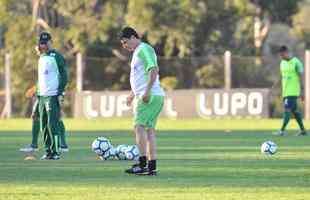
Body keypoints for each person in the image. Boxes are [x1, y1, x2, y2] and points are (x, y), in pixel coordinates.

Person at [119, 27, 165, 175]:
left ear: (133, 37)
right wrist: (132, 94)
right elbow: (141, 77)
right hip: (154, 95)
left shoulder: (143, 49)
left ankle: (142, 163)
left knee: (138, 127)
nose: (125, 46)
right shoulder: (139, 51)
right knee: (149, 131)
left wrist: (146, 91)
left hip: (149, 96)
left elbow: (154, 69)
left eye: (126, 42)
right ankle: (152, 166)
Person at [36, 32, 68, 159]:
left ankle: (55, 152)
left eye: (46, 42)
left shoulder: (57, 56)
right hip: (42, 96)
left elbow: (64, 75)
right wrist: (37, 92)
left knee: (52, 123)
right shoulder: (41, 57)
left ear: (51, 42)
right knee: (43, 124)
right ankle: (48, 150)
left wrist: (60, 92)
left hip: (52, 95)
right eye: (42, 43)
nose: (44, 45)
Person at [19, 85, 69, 153]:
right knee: (35, 116)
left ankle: (63, 146)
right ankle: (34, 145)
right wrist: (35, 88)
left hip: (54, 92)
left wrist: (60, 92)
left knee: (56, 117)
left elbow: (60, 77)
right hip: (43, 93)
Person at [274, 45, 307, 136]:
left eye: (282, 55)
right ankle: (303, 130)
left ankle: (282, 131)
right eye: (280, 56)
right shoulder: (282, 63)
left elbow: (301, 77)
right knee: (295, 111)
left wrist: (303, 91)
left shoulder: (296, 62)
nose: (281, 57)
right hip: (285, 92)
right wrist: (278, 87)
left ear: (286, 52)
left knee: (287, 110)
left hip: (293, 91)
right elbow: (282, 77)